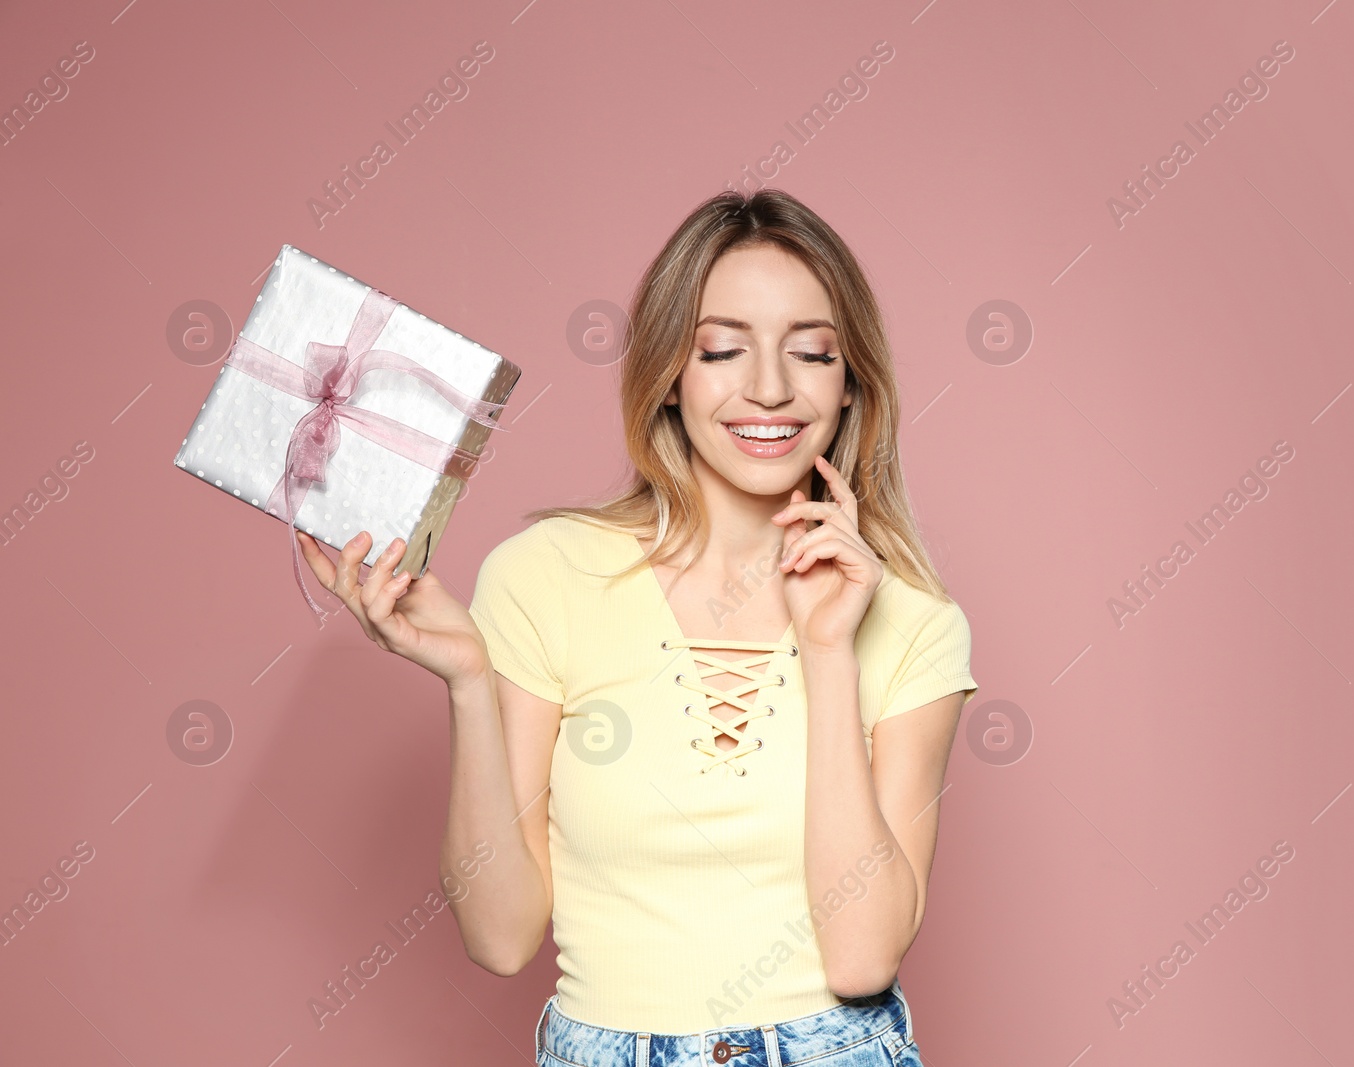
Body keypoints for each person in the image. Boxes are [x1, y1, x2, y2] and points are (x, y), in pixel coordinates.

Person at [296, 188, 978, 1066]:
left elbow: (861, 957)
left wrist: (829, 648)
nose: (768, 387)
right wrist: (468, 681)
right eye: (723, 349)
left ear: (850, 386)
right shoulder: (546, 574)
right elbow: (500, 937)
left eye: (811, 353)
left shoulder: (915, 621)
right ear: (670, 375)